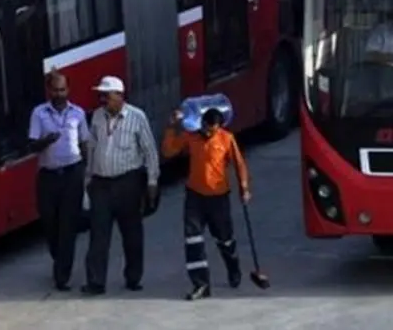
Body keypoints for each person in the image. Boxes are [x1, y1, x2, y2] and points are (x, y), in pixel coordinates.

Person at [161, 106, 251, 300]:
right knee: (193, 240)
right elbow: (168, 151)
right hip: (195, 197)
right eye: (206, 128)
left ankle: (233, 268)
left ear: (219, 127)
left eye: (213, 130)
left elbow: (239, 163)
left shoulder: (226, 139)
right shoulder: (191, 137)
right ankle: (201, 284)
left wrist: (244, 187)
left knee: (225, 239)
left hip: (219, 198)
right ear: (201, 123)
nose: (208, 132)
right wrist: (171, 127)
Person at [82, 75, 160, 296]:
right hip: (101, 184)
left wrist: (152, 182)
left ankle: (133, 277)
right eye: (101, 95)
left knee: (132, 234)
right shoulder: (97, 117)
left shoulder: (137, 117)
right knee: (98, 235)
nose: (102, 99)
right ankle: (96, 282)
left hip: (128, 183)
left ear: (119, 96)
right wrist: (88, 180)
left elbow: (149, 152)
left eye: (106, 95)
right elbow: (92, 149)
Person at [28, 70, 90, 291]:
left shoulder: (78, 114)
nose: (59, 93)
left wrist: (88, 172)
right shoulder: (39, 113)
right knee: (50, 223)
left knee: (67, 225)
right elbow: (32, 145)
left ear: (68, 90)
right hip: (48, 176)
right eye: (55, 90)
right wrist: (46, 141)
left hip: (73, 173)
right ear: (49, 90)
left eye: (63, 90)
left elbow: (85, 143)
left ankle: (62, 275)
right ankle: (59, 258)